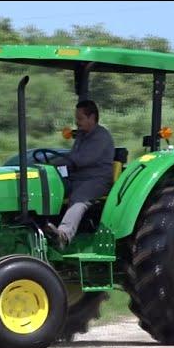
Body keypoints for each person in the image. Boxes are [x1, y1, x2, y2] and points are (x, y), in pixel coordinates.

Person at [45, 99, 115, 250]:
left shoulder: (101, 137)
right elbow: (73, 158)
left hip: (97, 179)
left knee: (79, 198)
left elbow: (82, 160)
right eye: (76, 118)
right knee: (51, 189)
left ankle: (63, 235)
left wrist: (60, 161)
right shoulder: (82, 136)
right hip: (79, 177)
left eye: (80, 118)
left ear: (92, 117)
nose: (77, 122)